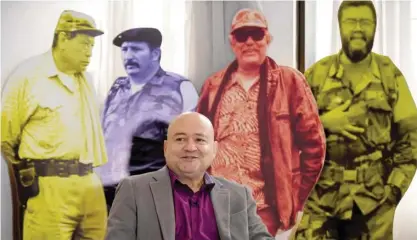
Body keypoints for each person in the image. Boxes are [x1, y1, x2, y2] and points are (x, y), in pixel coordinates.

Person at [196, 8, 326, 235]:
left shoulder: (289, 82)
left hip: (266, 212)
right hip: (217, 206)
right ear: (231, 41)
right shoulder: (213, 86)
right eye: (241, 35)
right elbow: (198, 143)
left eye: (256, 34)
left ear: (268, 38)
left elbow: (315, 148)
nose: (249, 42)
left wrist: (295, 199)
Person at [294, 1, 417, 239]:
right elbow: (286, 133)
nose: (358, 29)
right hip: (319, 203)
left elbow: (411, 138)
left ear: (375, 28)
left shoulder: (389, 75)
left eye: (365, 22)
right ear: (340, 27)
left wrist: (393, 190)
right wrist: (323, 124)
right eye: (351, 21)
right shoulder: (317, 74)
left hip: (373, 206)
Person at [1, 10, 108, 239]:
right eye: (84, 44)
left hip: (90, 184)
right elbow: (6, 138)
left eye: (92, 46)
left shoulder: (87, 80)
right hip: (50, 186)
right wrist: (30, 175)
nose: (89, 52)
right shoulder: (28, 77)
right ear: (62, 38)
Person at [106, 112, 275, 240]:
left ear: (214, 149)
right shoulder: (134, 190)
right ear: (166, 148)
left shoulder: (239, 195)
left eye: (200, 140)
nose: (190, 147)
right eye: (180, 139)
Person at [95, 27, 199, 211]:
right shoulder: (117, 88)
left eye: (136, 49)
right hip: (110, 193)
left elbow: (194, 144)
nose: (128, 56)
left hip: (154, 193)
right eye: (125, 50)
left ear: (155, 54)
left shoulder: (179, 88)